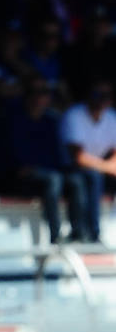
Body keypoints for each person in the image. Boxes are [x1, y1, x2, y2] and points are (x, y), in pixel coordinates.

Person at [5, 78, 87, 245]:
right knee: (53, 179)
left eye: (45, 93)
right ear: (28, 96)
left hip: (49, 173)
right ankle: (55, 236)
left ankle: (78, 233)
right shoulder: (14, 120)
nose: (42, 98)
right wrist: (22, 168)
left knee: (76, 181)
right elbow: (13, 158)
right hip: (21, 177)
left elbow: (59, 157)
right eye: (37, 93)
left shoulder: (51, 121)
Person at [61, 80, 116, 245]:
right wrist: (109, 167)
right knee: (92, 177)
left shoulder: (111, 117)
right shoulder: (74, 115)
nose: (102, 99)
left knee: (97, 176)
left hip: (100, 168)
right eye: (98, 95)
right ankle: (92, 234)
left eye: (106, 96)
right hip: (70, 168)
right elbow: (78, 157)